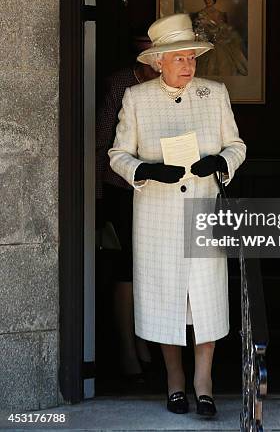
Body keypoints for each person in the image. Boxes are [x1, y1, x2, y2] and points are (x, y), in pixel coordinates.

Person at [108, 13, 246, 416]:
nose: (189, 65)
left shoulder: (214, 93)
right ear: (158, 62)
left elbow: (237, 145)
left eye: (192, 58)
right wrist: (144, 170)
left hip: (202, 213)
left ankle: (204, 382)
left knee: (205, 300)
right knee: (164, 300)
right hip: (157, 216)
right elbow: (117, 154)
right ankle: (174, 380)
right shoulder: (137, 98)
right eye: (180, 59)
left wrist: (220, 162)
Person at [95, 29, 158, 382]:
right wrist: (97, 198)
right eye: (148, 57)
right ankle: (125, 348)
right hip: (120, 190)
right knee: (125, 270)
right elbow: (101, 141)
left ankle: (143, 340)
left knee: (147, 269)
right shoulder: (119, 86)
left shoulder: (166, 87)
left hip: (157, 192)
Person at [193, 0, 248, 76]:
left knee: (224, 47)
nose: (207, 1)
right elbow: (200, 27)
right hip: (206, 35)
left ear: (213, 0)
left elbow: (222, 26)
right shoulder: (201, 13)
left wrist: (218, 31)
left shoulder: (219, 13)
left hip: (218, 35)